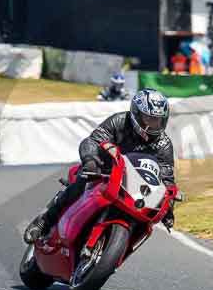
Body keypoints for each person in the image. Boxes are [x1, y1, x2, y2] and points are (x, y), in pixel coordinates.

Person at [24, 88, 175, 243]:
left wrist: (168, 208)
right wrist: (90, 161)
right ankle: (44, 221)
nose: (154, 125)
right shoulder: (119, 121)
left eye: (158, 120)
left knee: (145, 220)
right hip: (103, 171)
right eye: (149, 119)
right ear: (136, 114)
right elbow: (93, 141)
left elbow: (167, 178)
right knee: (80, 183)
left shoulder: (163, 144)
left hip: (134, 185)